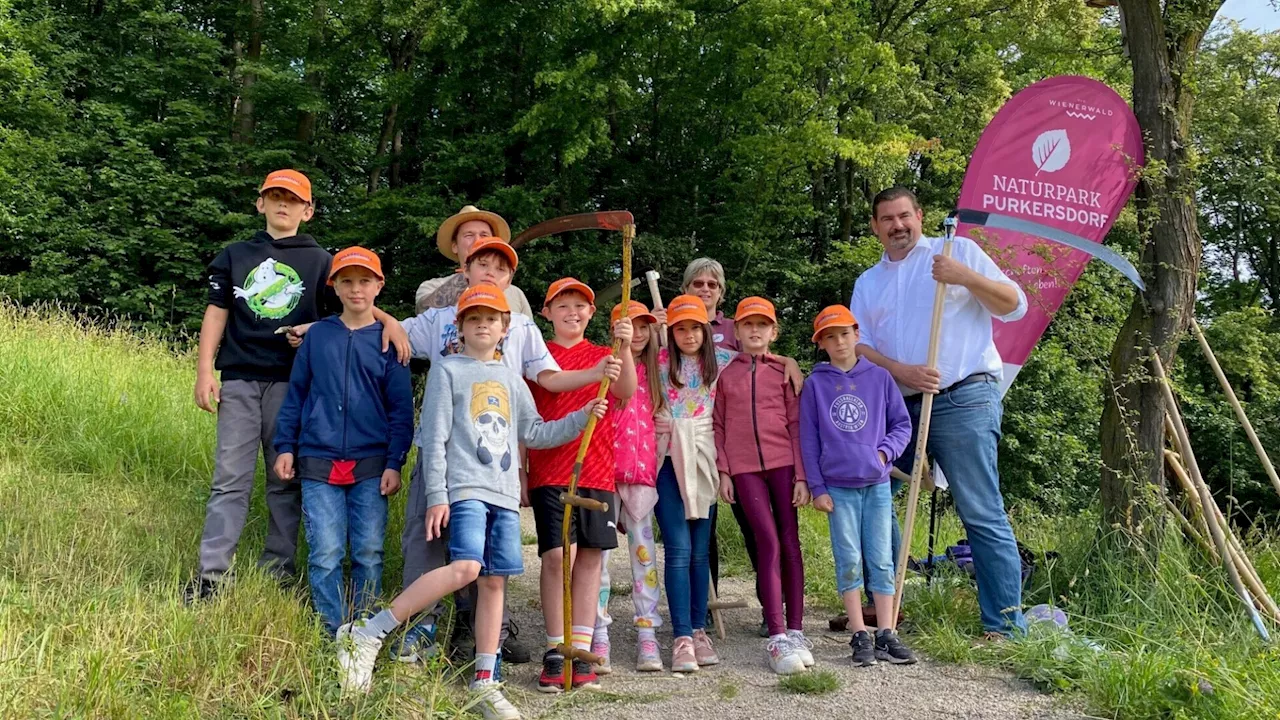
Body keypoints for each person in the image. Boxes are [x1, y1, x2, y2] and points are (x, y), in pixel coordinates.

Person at [336, 283, 609, 720]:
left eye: (492, 319)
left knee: (493, 582)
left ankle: (485, 681)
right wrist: (438, 496)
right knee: (466, 567)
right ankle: (368, 632)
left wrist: (582, 417)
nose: (483, 325)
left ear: (506, 328)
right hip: (464, 489)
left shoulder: (511, 379)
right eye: (473, 318)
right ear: (459, 328)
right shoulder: (448, 371)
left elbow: (536, 433)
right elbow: (437, 437)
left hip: (502, 495)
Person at [390, 237, 621, 667]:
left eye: (500, 265)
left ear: (504, 324)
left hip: (497, 476)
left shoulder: (519, 346)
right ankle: (400, 628)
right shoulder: (442, 337)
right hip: (450, 470)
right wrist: (376, 319)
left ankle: (486, 656)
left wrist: (587, 403)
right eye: (481, 260)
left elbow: (538, 412)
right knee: (442, 552)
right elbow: (391, 339)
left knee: (492, 572)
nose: (490, 269)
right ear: (463, 267)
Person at [187, 169, 408, 603]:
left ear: (307, 210)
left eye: (292, 199)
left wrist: (390, 321)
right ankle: (212, 576)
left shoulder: (322, 261)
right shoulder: (235, 255)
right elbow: (216, 312)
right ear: (260, 203)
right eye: (274, 197)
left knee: (283, 477)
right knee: (229, 477)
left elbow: (351, 307)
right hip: (239, 377)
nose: (282, 205)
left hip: (293, 381)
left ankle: (279, 570)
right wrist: (203, 370)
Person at [850, 186, 1029, 638]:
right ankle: (885, 607)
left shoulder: (956, 251)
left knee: (979, 509)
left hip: (964, 396)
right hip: (895, 406)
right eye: (887, 219)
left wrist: (964, 277)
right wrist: (900, 370)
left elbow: (1014, 305)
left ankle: (1005, 627)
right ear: (875, 227)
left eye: (904, 216)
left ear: (920, 216)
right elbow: (859, 346)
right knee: (873, 497)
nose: (897, 226)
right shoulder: (868, 282)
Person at [402, 206, 532, 665]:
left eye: (486, 238)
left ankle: (484, 637)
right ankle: (415, 629)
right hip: (445, 444)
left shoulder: (515, 302)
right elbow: (393, 331)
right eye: (469, 239)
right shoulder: (434, 297)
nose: (478, 244)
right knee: (432, 536)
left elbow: (532, 375)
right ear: (457, 251)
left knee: (489, 552)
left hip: (494, 445)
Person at [271, 247, 415, 636]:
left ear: (379, 285)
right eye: (347, 281)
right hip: (316, 457)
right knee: (326, 553)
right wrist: (285, 445)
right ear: (333, 285)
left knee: (368, 552)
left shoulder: (392, 343)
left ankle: (365, 631)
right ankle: (331, 631)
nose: (356, 289)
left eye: (365, 280)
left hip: (372, 463)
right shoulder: (319, 337)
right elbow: (297, 394)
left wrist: (394, 462)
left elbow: (402, 410)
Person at [678, 257, 803, 637]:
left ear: (721, 291)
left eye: (711, 284)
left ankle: (774, 609)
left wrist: (790, 360)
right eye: (697, 283)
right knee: (703, 528)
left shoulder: (734, 327)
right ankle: (699, 611)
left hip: (758, 450)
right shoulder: (677, 325)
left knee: (759, 532)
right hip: (699, 439)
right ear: (686, 289)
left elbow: (759, 353)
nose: (704, 289)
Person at [527, 278, 636, 692]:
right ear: (547, 312)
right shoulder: (539, 356)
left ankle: (582, 647)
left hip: (597, 469)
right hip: (551, 470)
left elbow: (625, 391)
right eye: (563, 305)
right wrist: (521, 470)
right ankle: (556, 648)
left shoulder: (604, 354)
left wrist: (623, 346)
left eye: (581, 306)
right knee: (556, 557)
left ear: (591, 313)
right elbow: (530, 411)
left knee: (591, 557)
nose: (572, 312)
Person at [802, 305, 916, 666]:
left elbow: (902, 425)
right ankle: (858, 633)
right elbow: (808, 439)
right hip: (837, 487)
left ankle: (886, 632)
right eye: (830, 337)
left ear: (856, 335)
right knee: (849, 559)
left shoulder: (880, 378)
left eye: (844, 334)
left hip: (877, 485)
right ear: (821, 344)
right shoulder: (815, 384)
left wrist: (884, 455)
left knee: (881, 559)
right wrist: (817, 487)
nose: (839, 342)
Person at [713, 297, 812, 675]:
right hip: (744, 469)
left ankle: (797, 630)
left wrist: (802, 476)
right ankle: (776, 635)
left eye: (763, 325)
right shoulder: (725, 373)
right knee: (767, 541)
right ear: (735, 331)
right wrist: (724, 471)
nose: (755, 331)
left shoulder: (784, 372)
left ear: (774, 332)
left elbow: (797, 426)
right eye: (747, 325)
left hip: (784, 464)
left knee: (790, 541)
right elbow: (718, 425)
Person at [653, 294, 735, 672]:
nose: (688, 335)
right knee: (678, 548)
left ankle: (699, 630)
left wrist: (789, 364)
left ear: (706, 329)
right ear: (670, 331)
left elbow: (758, 358)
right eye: (680, 328)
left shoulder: (721, 363)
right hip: (668, 458)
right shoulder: (657, 363)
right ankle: (681, 635)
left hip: (704, 457)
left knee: (701, 550)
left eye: (694, 327)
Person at [596, 301, 666, 673]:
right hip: (606, 476)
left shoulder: (659, 370)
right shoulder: (606, 366)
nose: (638, 333)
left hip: (641, 477)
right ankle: (598, 634)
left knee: (644, 559)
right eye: (630, 326)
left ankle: (647, 634)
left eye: (645, 326)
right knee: (600, 560)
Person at [414, 204, 534, 314]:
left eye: (484, 235)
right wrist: (469, 274)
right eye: (469, 235)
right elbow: (423, 313)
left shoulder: (515, 294)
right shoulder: (432, 286)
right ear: (455, 246)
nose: (478, 240)